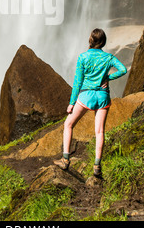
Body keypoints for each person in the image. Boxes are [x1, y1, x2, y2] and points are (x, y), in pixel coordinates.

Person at [54, 28, 127, 177]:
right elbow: (123, 69)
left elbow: (77, 82)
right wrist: (108, 78)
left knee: (68, 124)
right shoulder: (108, 58)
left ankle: (65, 160)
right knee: (99, 131)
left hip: (86, 97)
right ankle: (97, 166)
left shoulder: (83, 57)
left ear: (90, 41)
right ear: (103, 42)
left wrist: (72, 103)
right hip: (102, 97)